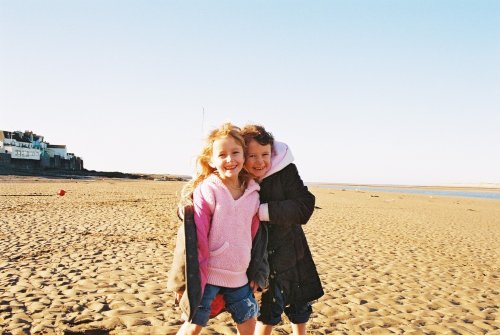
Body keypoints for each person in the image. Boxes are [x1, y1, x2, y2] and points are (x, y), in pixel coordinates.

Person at [167, 123, 268, 335]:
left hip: (239, 277)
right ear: (211, 160)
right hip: (208, 276)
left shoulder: (254, 194)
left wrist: (257, 274)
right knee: (193, 326)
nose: (230, 160)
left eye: (235, 153)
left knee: (249, 324)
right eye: (222, 155)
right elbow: (192, 238)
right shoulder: (208, 190)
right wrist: (183, 282)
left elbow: (257, 239)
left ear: (244, 155)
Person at [241, 125, 324, 335]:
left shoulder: (285, 169)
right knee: (267, 308)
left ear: (272, 152)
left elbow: (304, 205)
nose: (259, 162)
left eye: (265, 154)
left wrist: (262, 211)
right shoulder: (235, 174)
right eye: (252, 155)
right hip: (259, 254)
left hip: (291, 248)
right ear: (242, 155)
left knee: (299, 303)